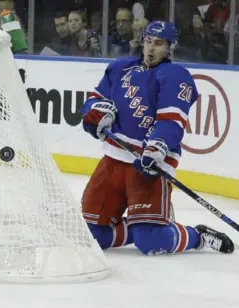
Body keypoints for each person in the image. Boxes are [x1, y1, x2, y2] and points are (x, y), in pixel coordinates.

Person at [80, 20, 235, 256]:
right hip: (112, 161)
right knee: (90, 235)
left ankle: (197, 236)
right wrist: (95, 114)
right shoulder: (121, 68)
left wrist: (156, 147)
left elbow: (172, 120)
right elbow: (93, 100)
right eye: (148, 41)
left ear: (170, 48)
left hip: (148, 165)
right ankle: (143, 224)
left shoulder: (176, 76)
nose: (151, 49)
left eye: (159, 44)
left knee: (151, 242)